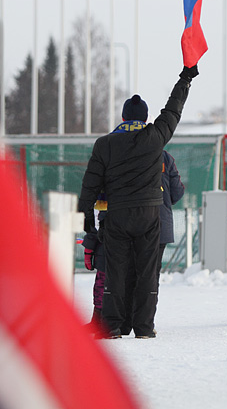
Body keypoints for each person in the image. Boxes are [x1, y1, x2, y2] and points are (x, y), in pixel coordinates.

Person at [78, 65, 198, 339]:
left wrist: (88, 226)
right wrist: (185, 78)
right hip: (149, 214)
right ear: (145, 119)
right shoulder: (155, 138)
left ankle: (111, 326)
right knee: (146, 272)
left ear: (122, 118)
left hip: (118, 215)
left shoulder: (104, 145)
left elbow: (89, 188)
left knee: (116, 271)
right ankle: (143, 327)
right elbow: (172, 111)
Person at [121, 149, 185, 335]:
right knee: (150, 275)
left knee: (127, 272)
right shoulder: (164, 156)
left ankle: (124, 322)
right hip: (159, 224)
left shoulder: (122, 151)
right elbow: (177, 192)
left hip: (129, 221)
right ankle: (145, 325)